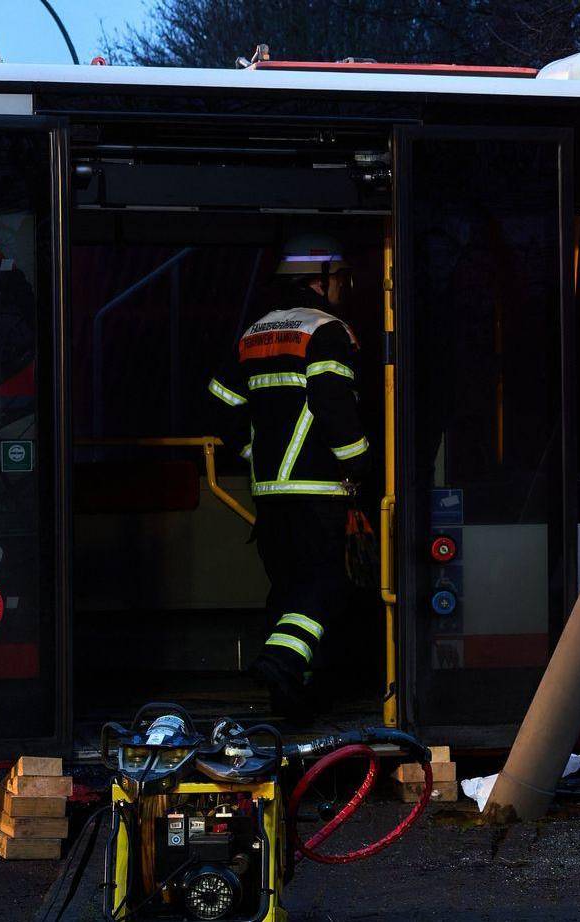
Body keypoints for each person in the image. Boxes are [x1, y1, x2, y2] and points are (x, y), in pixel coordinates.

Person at [207, 233, 372, 722]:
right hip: (318, 488)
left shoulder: (254, 333)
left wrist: (252, 451)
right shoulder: (328, 331)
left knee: (288, 590)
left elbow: (220, 402)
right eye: (339, 277)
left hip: (269, 494)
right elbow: (334, 403)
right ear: (319, 280)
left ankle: (289, 696)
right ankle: (281, 662)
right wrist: (359, 463)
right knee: (325, 585)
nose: (344, 287)